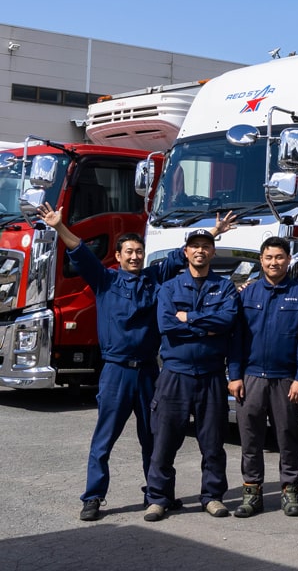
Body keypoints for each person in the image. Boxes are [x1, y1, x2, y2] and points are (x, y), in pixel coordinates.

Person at [36, 203, 233, 522]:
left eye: (139, 252)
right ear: (117, 256)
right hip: (116, 371)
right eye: (128, 252)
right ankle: (93, 497)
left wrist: (213, 231)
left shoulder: (154, 278)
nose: (134, 257)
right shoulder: (105, 280)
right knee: (104, 439)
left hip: (148, 372)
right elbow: (80, 250)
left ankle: (157, 495)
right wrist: (59, 226)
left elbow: (185, 254)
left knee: (154, 438)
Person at [144, 228, 240, 522]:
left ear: (213, 252)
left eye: (205, 246)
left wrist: (190, 319)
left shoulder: (224, 288)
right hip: (175, 375)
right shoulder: (169, 288)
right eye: (194, 246)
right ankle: (158, 498)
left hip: (211, 376)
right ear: (185, 252)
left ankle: (212, 496)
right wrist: (207, 329)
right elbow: (167, 326)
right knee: (164, 442)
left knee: (213, 444)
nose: (200, 250)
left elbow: (227, 321)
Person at [227, 237, 298, 518]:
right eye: (268, 257)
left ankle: (290, 492)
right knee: (250, 439)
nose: (273, 262)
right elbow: (236, 339)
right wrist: (234, 375)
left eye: (279, 257)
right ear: (261, 260)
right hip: (251, 378)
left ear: (288, 260)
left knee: (288, 437)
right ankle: (252, 494)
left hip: (286, 380)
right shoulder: (247, 294)